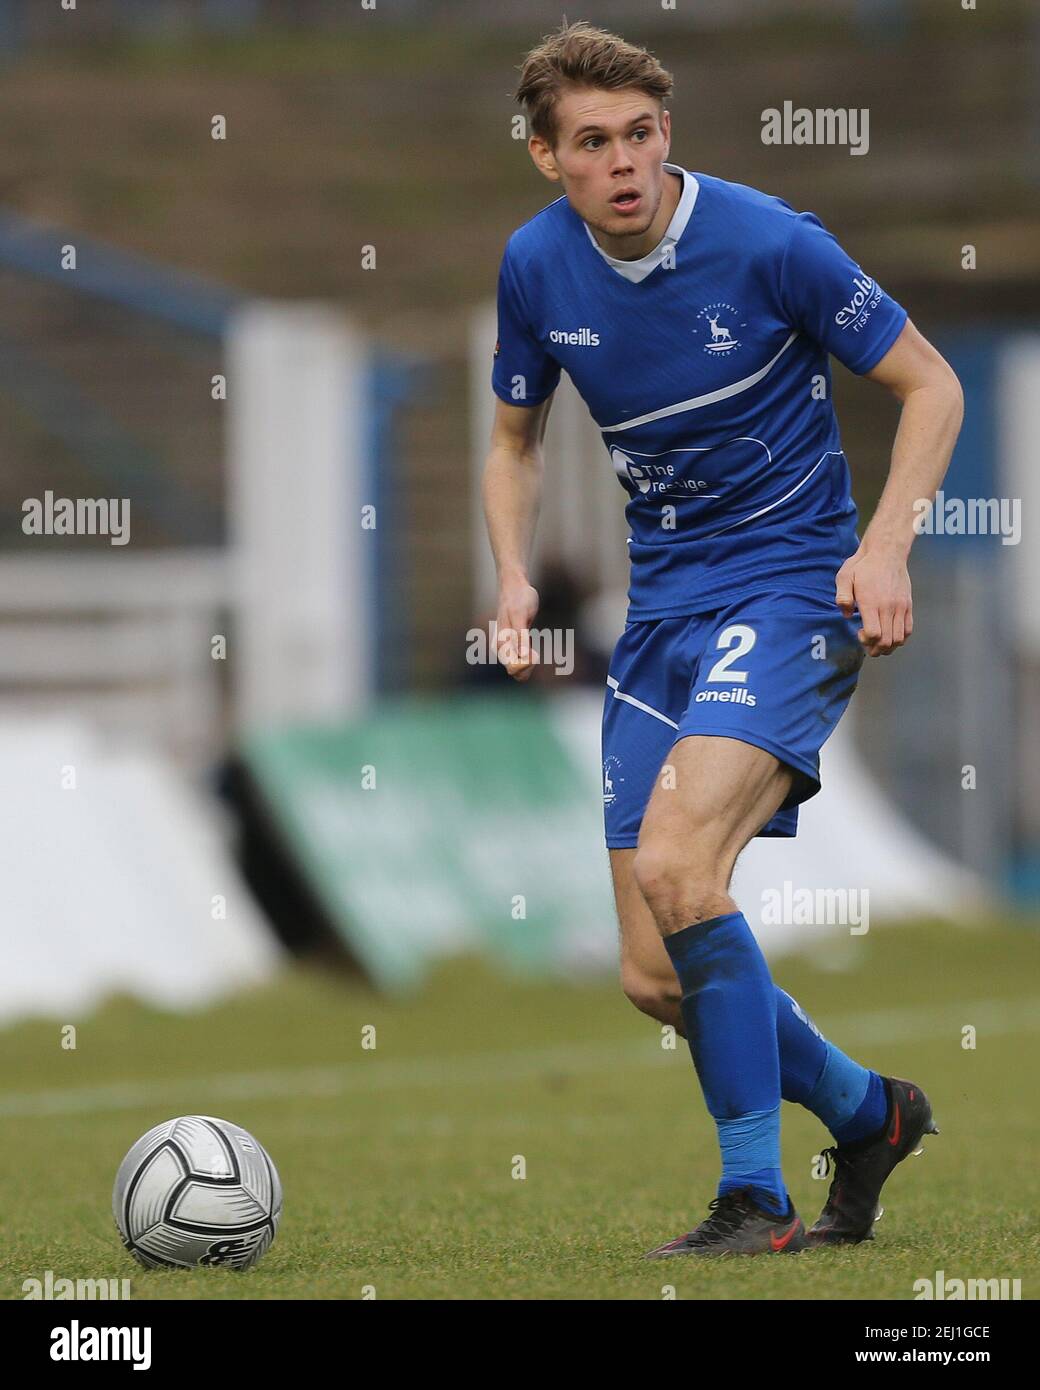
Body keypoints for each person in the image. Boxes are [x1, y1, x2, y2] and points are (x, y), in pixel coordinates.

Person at [481, 21, 961, 1256]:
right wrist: (510, 580)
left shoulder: (767, 241)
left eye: (641, 133)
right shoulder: (534, 269)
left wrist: (887, 543)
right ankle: (869, 1112)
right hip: (662, 617)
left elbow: (931, 384)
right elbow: (513, 441)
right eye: (593, 143)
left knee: (681, 869)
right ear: (547, 159)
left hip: (795, 589)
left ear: (665, 135)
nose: (625, 161)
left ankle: (754, 1197)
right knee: (651, 971)